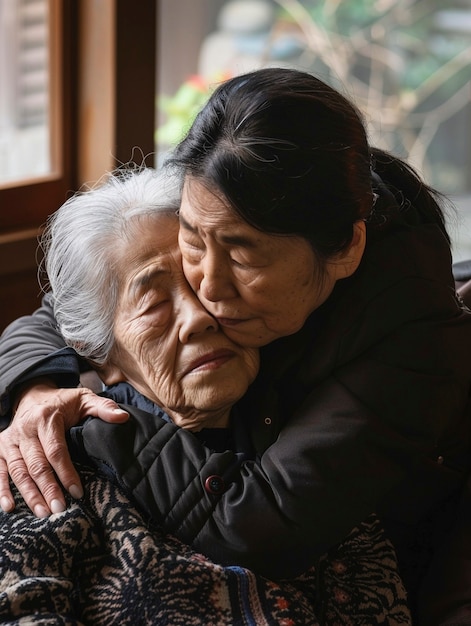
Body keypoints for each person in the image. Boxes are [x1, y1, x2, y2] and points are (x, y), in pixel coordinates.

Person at [0, 67, 470, 618]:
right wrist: (34, 389)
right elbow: (66, 309)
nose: (206, 291)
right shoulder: (228, 200)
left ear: (345, 250)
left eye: (244, 254)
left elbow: (261, 526)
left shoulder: (414, 342)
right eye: (193, 240)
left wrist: (99, 428)